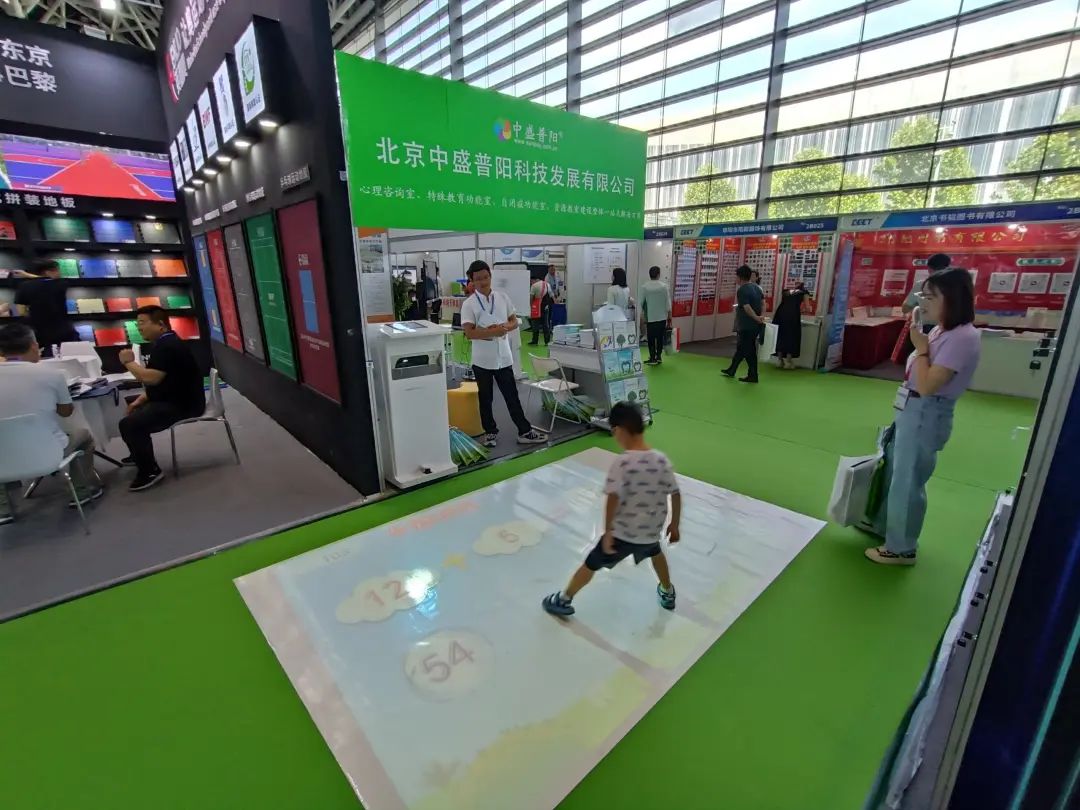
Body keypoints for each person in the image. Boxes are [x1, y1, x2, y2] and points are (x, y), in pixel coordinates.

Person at [866, 268, 982, 566]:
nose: (923, 302)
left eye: (931, 297)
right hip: (911, 408)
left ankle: (901, 547)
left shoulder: (963, 337)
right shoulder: (941, 330)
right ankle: (886, 526)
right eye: (923, 295)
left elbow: (930, 385)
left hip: (926, 411)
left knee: (908, 480)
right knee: (895, 470)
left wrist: (920, 349)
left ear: (952, 298)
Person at [542, 401, 681, 616]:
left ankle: (563, 599)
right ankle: (668, 591)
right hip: (650, 532)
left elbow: (613, 498)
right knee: (655, 553)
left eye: (614, 432)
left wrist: (608, 532)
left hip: (622, 534)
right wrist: (674, 525)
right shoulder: (661, 460)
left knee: (591, 563)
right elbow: (675, 494)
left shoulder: (623, 463)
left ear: (620, 430)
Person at [0, 323, 100, 523]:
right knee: (84, 435)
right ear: (34, 345)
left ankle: (3, 507)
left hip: (3, 456)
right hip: (49, 451)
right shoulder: (52, 374)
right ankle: (81, 490)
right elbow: (66, 412)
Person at [460, 260, 547, 448]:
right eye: (478, 279)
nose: (483, 282)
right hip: (482, 360)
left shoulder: (502, 298)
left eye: (485, 277)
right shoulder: (469, 304)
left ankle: (524, 431)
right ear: (472, 281)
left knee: (512, 396)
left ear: (490, 276)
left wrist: (504, 327)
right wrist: (491, 332)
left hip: (504, 357)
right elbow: (469, 333)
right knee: (486, 398)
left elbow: (514, 321)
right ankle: (490, 432)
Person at [117, 306, 206, 492]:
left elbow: (150, 378)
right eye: (137, 324)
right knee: (132, 409)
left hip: (183, 405)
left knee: (130, 424)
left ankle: (150, 471)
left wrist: (128, 362)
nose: (139, 328)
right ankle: (139, 452)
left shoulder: (168, 346)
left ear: (160, 325)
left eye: (142, 323)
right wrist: (142, 399)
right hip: (174, 398)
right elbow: (165, 381)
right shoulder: (165, 343)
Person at [13, 260, 77, 356]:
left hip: (37, 331)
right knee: (69, 357)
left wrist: (26, 275)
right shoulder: (61, 283)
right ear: (48, 272)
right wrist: (28, 275)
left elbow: (21, 311)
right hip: (63, 329)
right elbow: (47, 280)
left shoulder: (24, 286)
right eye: (57, 270)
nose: (60, 273)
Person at [722, 264, 767, 383]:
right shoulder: (757, 288)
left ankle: (753, 375)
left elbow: (747, 307)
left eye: (736, 276)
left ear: (740, 277)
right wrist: (761, 316)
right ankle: (732, 369)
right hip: (755, 325)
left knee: (748, 350)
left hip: (747, 325)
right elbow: (763, 303)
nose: (735, 279)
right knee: (742, 348)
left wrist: (756, 318)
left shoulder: (742, 290)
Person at [773, 282, 811, 369]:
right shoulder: (804, 292)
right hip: (793, 315)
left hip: (780, 314)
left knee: (780, 336)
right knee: (792, 336)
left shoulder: (786, 291)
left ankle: (779, 361)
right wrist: (801, 311)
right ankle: (788, 361)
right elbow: (808, 308)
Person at [640, 265, 671, 365]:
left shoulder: (645, 287)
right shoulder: (664, 286)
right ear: (658, 274)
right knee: (660, 337)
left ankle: (652, 357)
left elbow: (641, 302)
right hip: (662, 316)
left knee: (651, 338)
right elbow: (668, 302)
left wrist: (642, 314)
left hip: (651, 317)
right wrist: (669, 315)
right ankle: (659, 356)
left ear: (650, 275)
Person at [528, 274, 553, 346]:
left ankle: (535, 341)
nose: (531, 283)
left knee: (535, 324)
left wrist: (531, 306)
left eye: (531, 281)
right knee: (546, 324)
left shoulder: (534, 286)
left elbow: (531, 298)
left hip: (536, 307)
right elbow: (551, 295)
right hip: (545, 306)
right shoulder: (547, 284)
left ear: (534, 280)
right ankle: (547, 341)